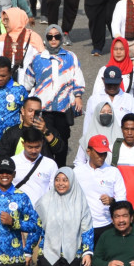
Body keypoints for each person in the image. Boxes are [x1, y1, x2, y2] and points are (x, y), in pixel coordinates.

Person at [72, 134, 129, 266]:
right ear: (88, 151)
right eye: (99, 153)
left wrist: (112, 201)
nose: (102, 157)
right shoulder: (77, 172)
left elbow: (123, 203)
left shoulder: (113, 172)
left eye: (105, 154)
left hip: (105, 227)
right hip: (82, 228)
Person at [20, 25, 85, 167]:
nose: (53, 39)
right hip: (43, 111)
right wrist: (24, 106)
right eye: (50, 37)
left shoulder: (70, 57)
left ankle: (61, 171)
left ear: (62, 38)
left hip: (63, 110)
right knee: (45, 144)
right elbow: (27, 83)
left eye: (57, 36)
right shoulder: (37, 59)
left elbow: (77, 78)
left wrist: (78, 96)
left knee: (62, 143)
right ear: (46, 39)